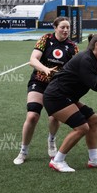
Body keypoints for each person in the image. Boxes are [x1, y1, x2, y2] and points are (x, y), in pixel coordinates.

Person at [43, 33, 97, 172]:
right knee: (82, 128)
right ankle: (57, 161)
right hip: (56, 97)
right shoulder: (85, 59)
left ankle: (94, 160)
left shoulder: (95, 60)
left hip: (67, 97)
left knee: (93, 119)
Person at [13, 16, 78, 165]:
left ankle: (51, 140)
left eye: (68, 27)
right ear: (55, 28)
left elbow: (75, 67)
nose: (66, 30)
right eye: (62, 27)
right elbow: (33, 60)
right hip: (39, 81)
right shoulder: (45, 39)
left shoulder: (72, 46)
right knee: (32, 116)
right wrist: (45, 69)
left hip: (57, 86)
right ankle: (23, 151)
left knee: (54, 117)